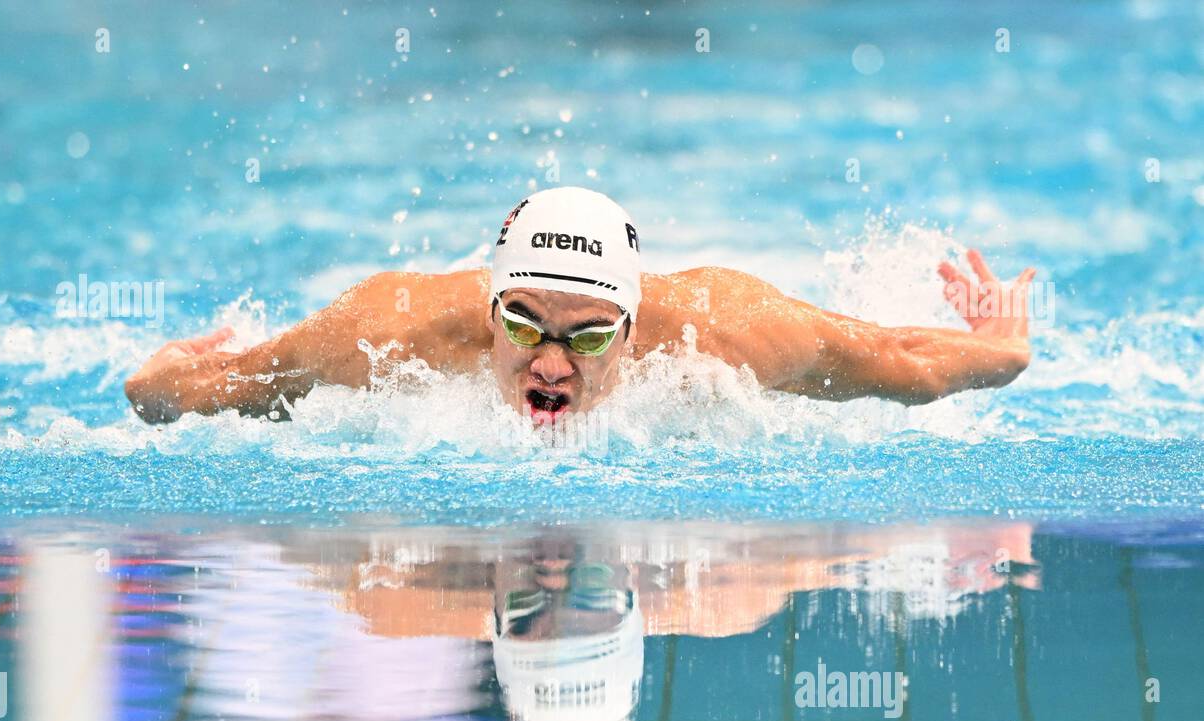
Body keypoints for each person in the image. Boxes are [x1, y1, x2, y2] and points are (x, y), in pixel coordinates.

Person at [124, 187, 1037, 426]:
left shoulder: (731, 336)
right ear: (485, 311)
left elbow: (903, 363)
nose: (551, 364)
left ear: (634, 333)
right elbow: (229, 385)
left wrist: (999, 349)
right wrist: (159, 384)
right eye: (521, 323)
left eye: (589, 335)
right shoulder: (387, 332)